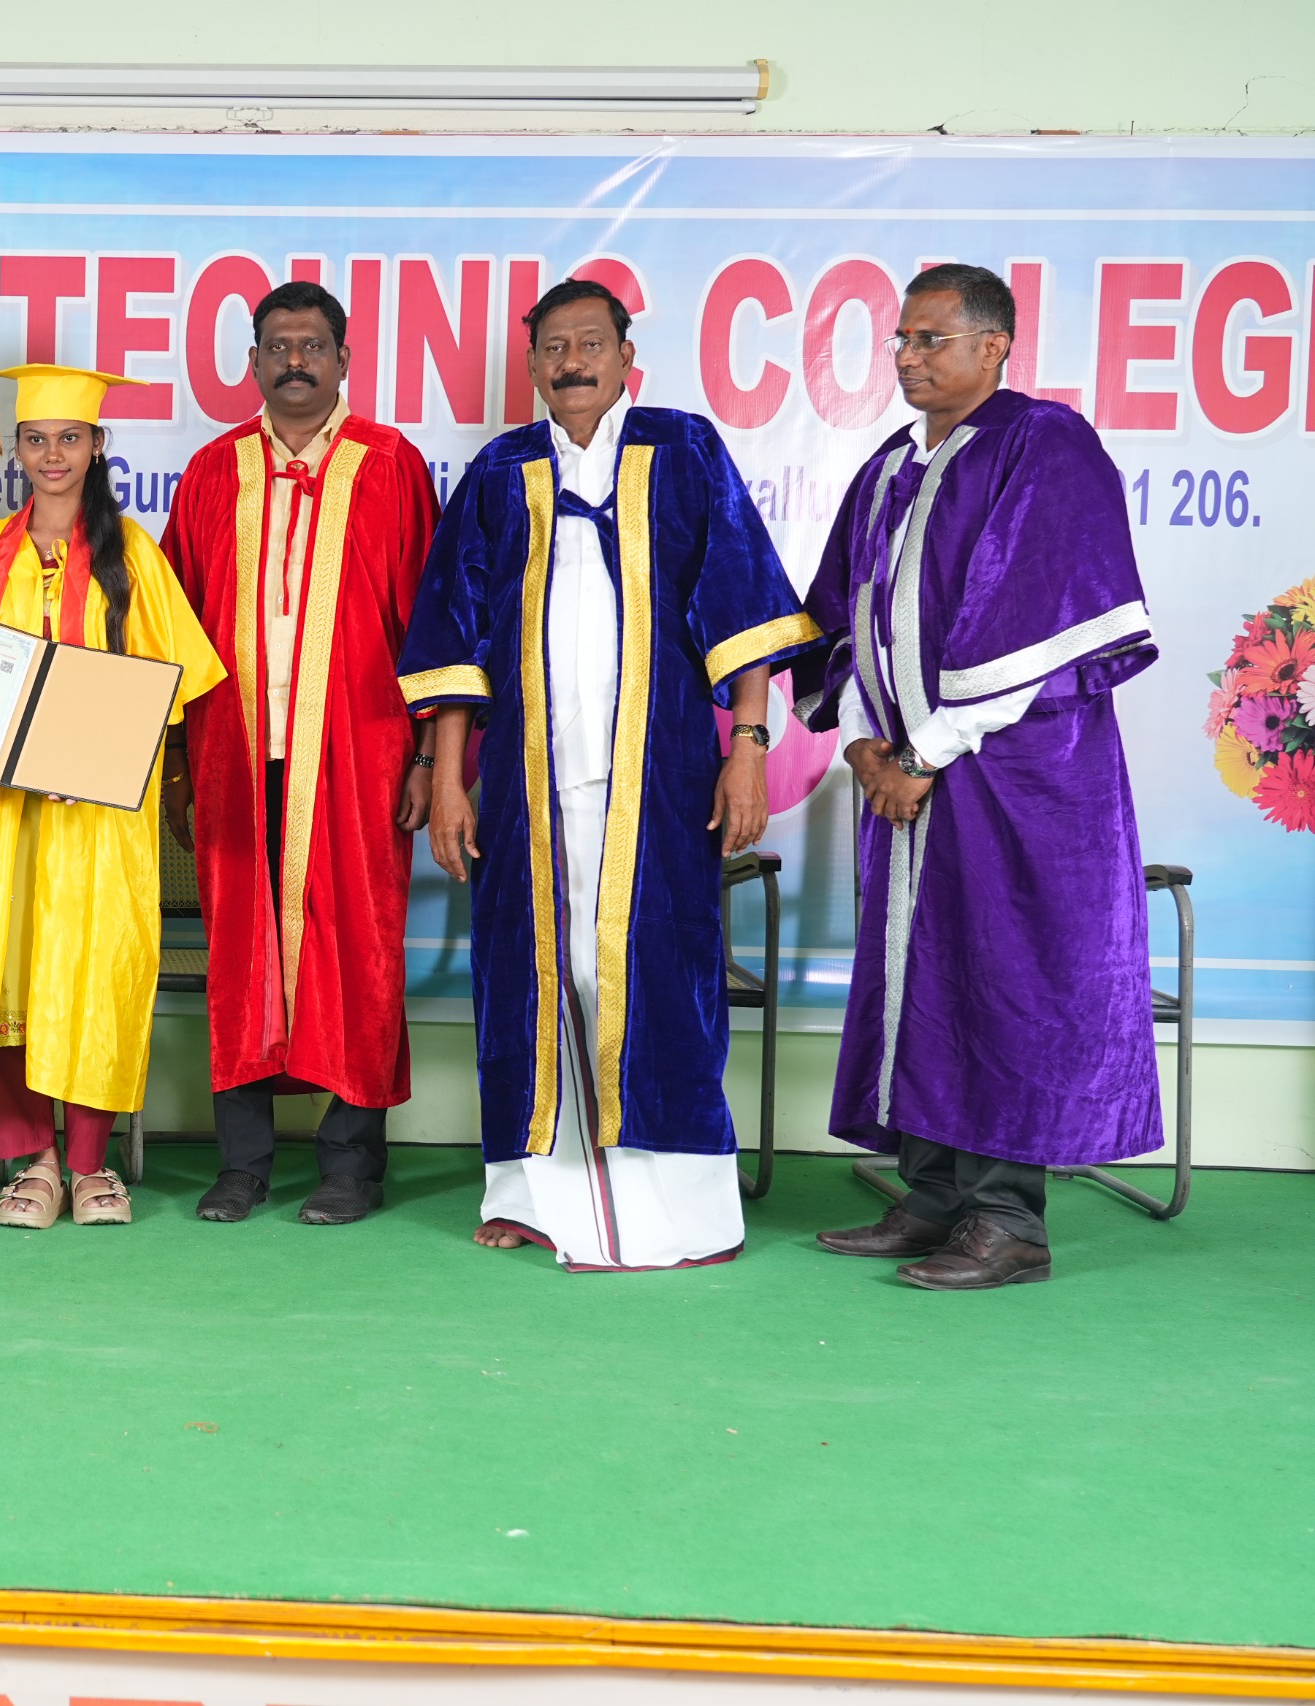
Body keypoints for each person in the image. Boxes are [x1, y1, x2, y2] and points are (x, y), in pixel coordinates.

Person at [400, 279, 819, 1272]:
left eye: (590, 342)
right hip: (527, 784)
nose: (571, 361)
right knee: (530, 977)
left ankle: (683, 1207)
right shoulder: (500, 470)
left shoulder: (683, 450)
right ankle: (531, 1193)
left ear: (628, 357)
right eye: (553, 347)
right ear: (531, 364)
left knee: (658, 975)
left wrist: (747, 748)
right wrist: (450, 780)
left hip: (660, 778)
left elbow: (741, 609)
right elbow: (456, 640)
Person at [804, 264, 1160, 1290]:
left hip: (1017, 776)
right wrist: (866, 743)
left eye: (932, 339)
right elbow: (848, 618)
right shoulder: (890, 466)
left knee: (1004, 976)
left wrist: (923, 752)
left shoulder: (1041, 445)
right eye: (902, 339)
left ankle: (1007, 1222)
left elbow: (1035, 624)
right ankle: (931, 1196)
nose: (908, 357)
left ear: (994, 345)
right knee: (918, 976)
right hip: (904, 778)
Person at [159, 282, 440, 1227]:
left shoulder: (390, 467)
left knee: (359, 950)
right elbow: (172, 628)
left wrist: (427, 760)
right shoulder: (213, 472)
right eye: (277, 346)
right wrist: (176, 763)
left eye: (312, 345)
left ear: (344, 359)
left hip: (359, 756)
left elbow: (431, 626)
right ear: (252, 361)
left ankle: (352, 1163)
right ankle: (243, 1163)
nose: (294, 361)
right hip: (235, 758)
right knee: (241, 955)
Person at [0, 365, 224, 1228]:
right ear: (14, 448)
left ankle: (91, 1164)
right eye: (35, 438)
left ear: (96, 446)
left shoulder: (134, 556)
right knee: (3, 967)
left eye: (69, 437)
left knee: (94, 969)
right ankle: (35, 1161)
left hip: (93, 816)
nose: (51, 454)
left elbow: (170, 690)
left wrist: (86, 756)